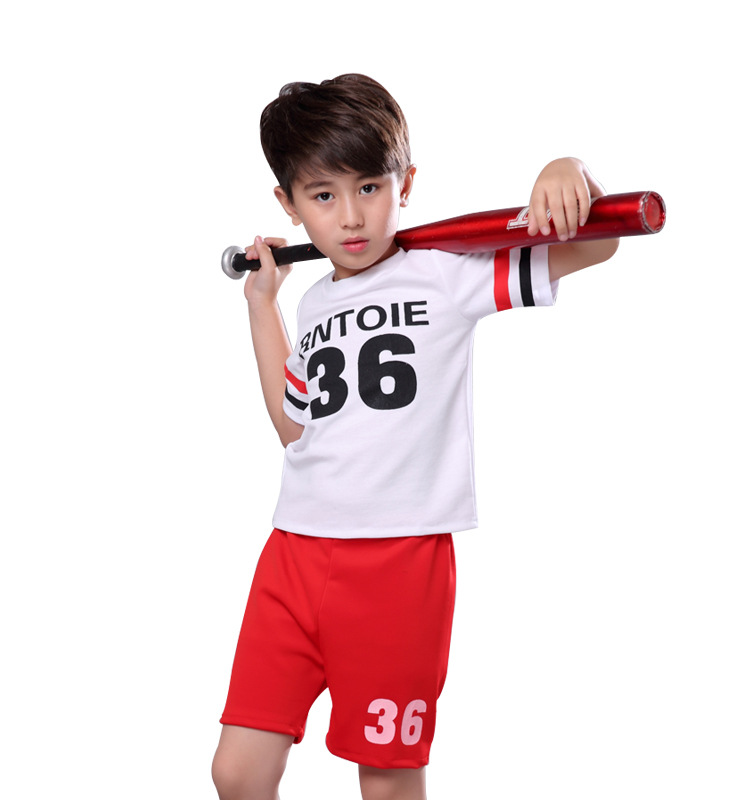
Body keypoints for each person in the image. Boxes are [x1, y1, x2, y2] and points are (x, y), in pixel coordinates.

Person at [212, 73, 619, 800]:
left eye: (370, 187)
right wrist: (262, 305)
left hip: (398, 564)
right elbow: (294, 428)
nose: (352, 217)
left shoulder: (446, 274)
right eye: (323, 195)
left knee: (387, 779)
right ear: (289, 206)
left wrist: (573, 174)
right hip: (293, 553)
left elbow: (598, 245)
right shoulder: (313, 304)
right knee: (237, 773)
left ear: (406, 184)